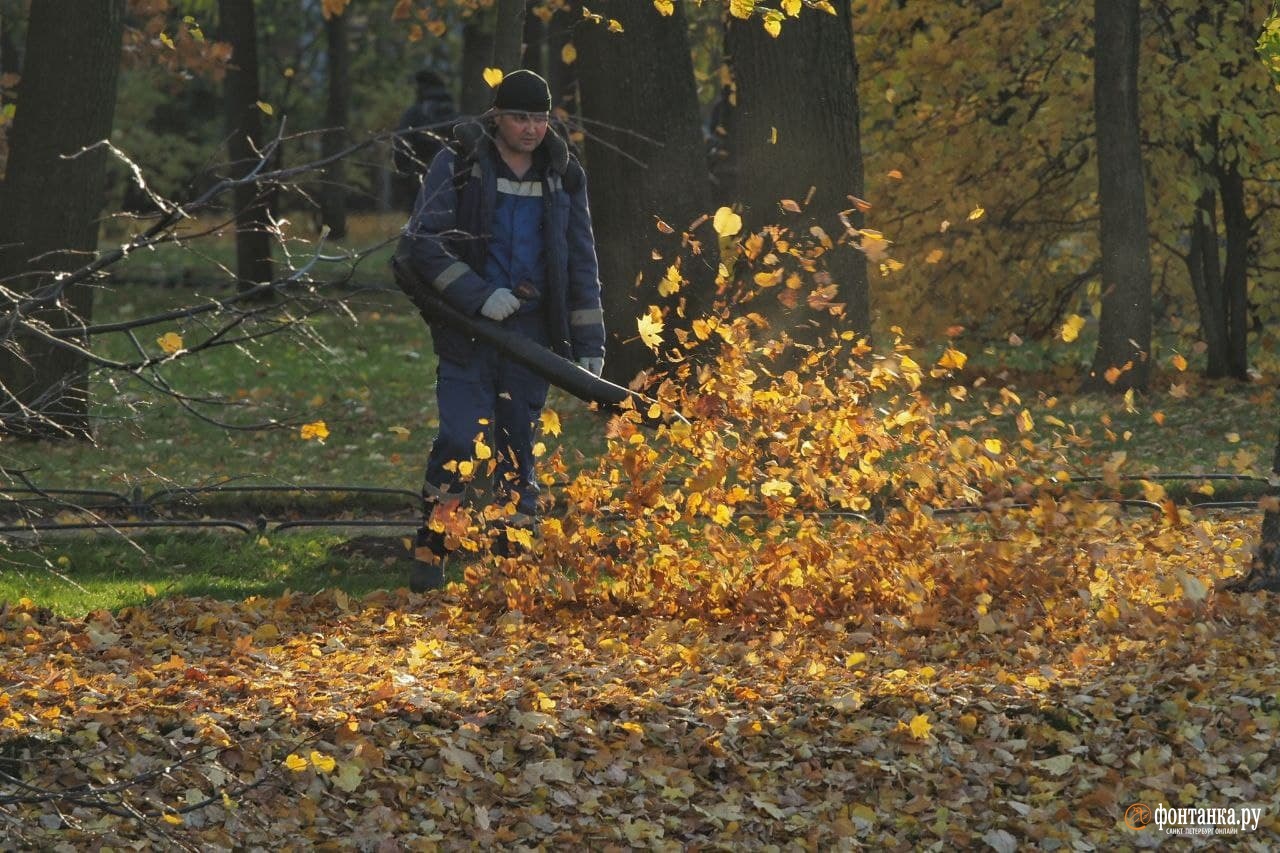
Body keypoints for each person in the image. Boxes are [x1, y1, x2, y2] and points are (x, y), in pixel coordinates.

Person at [396, 69, 605, 592]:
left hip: (531, 337)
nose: (531, 129)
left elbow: (580, 262)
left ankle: (516, 560)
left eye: (539, 118)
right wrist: (478, 295)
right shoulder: (460, 163)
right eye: (520, 118)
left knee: (517, 444)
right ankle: (433, 550)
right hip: (467, 329)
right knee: (461, 440)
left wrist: (590, 344)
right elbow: (425, 242)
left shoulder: (562, 173)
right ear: (496, 118)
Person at [393, 69, 459, 211]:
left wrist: (404, 173)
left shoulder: (415, 113)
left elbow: (400, 145)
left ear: (420, 87)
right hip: (453, 179)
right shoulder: (454, 113)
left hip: (420, 178)